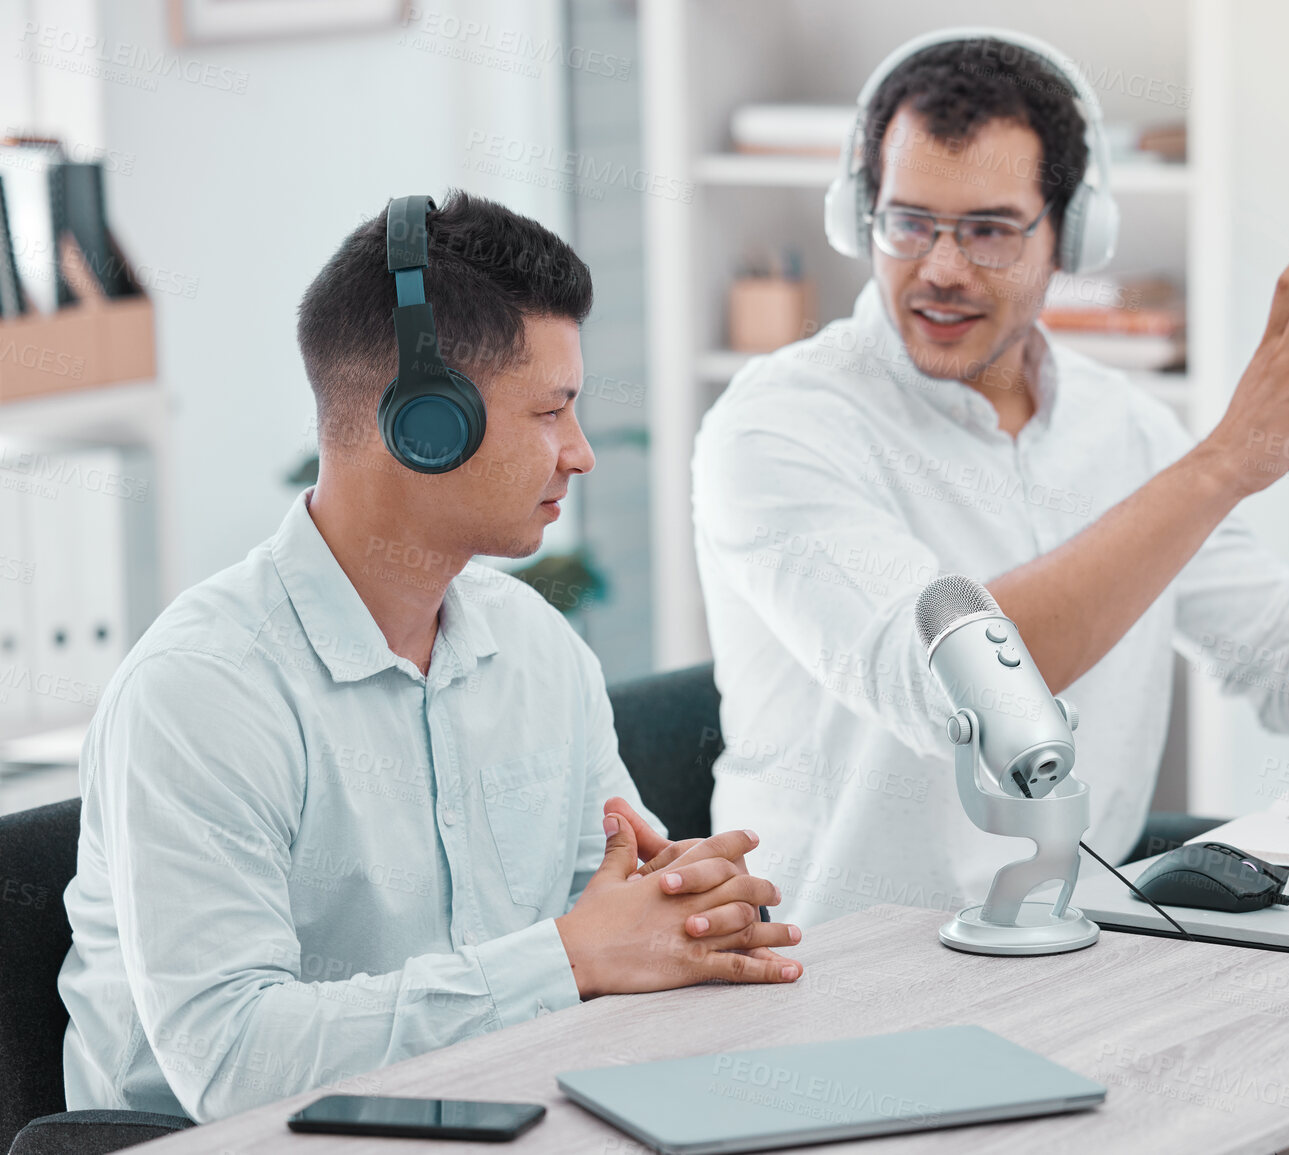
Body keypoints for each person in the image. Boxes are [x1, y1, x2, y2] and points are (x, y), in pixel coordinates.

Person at [690, 33, 1289, 1154]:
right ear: (863, 216)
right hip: (851, 1007)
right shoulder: (778, 424)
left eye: (988, 230)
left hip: (1077, 963)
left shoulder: (1122, 427)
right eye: (908, 222)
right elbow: (965, 695)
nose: (938, 266)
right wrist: (1226, 459)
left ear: (1072, 236)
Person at [58, 192, 801, 1124]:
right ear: (423, 422)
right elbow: (230, 1061)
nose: (579, 454)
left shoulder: (536, 649)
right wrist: (569, 957)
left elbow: (611, 913)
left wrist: (686, 913)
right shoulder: (202, 691)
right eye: (550, 410)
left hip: (502, 1111)